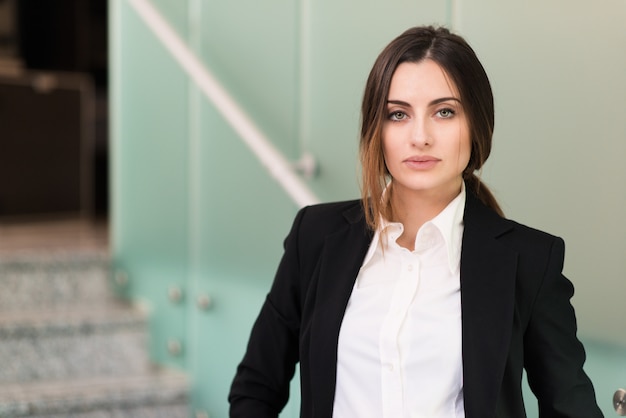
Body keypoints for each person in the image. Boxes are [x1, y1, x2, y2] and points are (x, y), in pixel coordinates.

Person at [228, 25, 602, 418]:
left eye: (444, 112)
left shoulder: (529, 260)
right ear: (377, 129)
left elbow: (572, 409)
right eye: (398, 114)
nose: (420, 137)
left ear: (476, 125)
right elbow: (255, 387)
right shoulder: (316, 236)